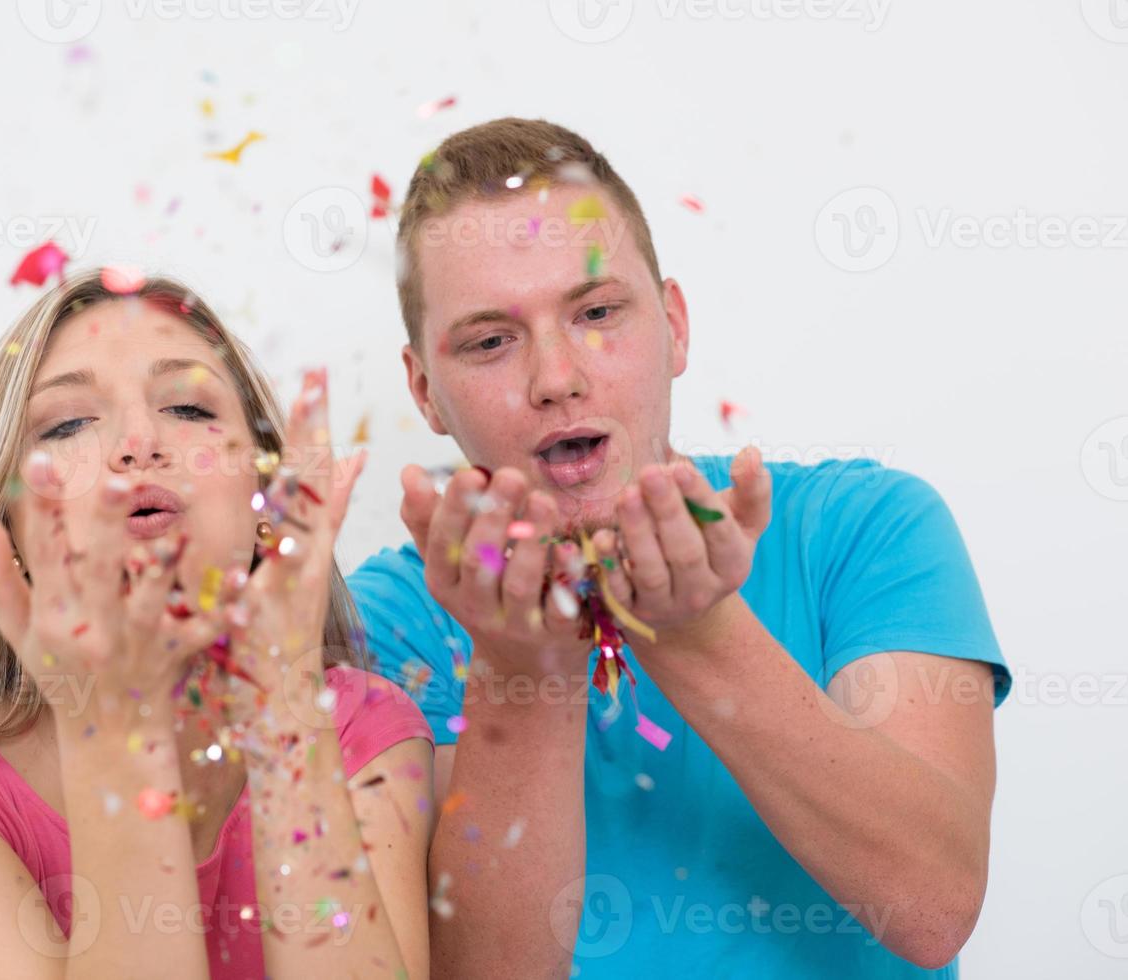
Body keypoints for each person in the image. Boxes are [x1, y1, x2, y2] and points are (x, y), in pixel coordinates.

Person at [347, 118, 1011, 979]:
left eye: (595, 313)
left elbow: (932, 911)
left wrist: (696, 630)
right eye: (489, 342)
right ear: (423, 392)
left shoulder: (864, 528)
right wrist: (526, 667)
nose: (556, 378)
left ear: (674, 325)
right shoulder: (390, 623)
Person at [0, 270, 434, 979]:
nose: (139, 441)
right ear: (8, 527)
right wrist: (114, 721)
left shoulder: (359, 726)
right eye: (69, 423)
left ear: (265, 497)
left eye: (188, 408)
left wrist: (281, 698)